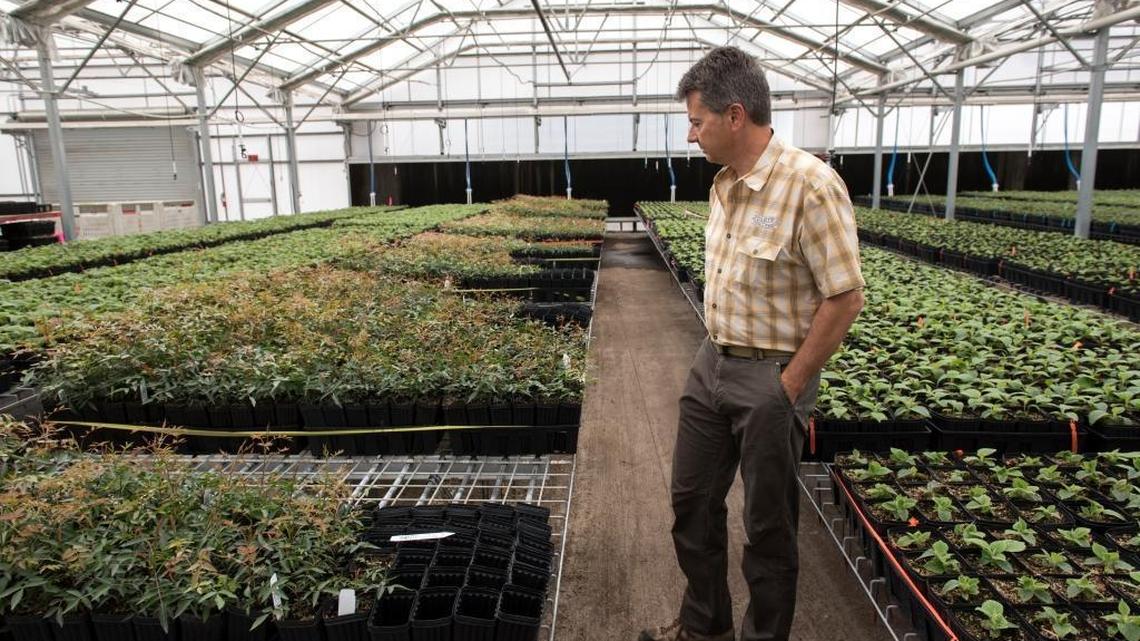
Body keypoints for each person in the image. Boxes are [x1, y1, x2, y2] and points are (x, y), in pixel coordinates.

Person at [639, 46, 865, 641]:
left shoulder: (810, 186)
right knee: (691, 504)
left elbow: (845, 296)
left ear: (734, 115)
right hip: (711, 362)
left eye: (697, 121)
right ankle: (703, 626)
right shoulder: (724, 184)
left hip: (770, 377)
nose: (691, 135)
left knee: (767, 528)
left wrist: (787, 387)